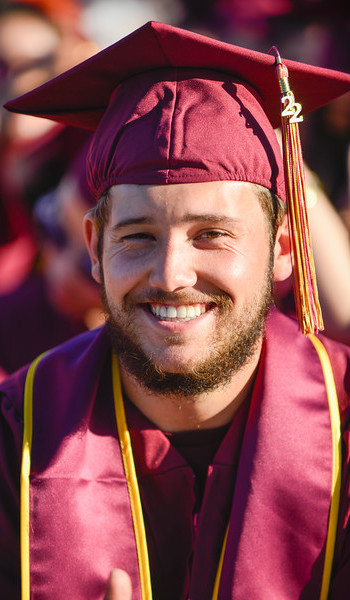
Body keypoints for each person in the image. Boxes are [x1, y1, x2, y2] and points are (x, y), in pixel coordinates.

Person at [1, 21, 350, 600]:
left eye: (212, 233)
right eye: (137, 236)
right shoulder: (16, 437)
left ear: (286, 247)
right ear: (94, 246)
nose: (170, 275)